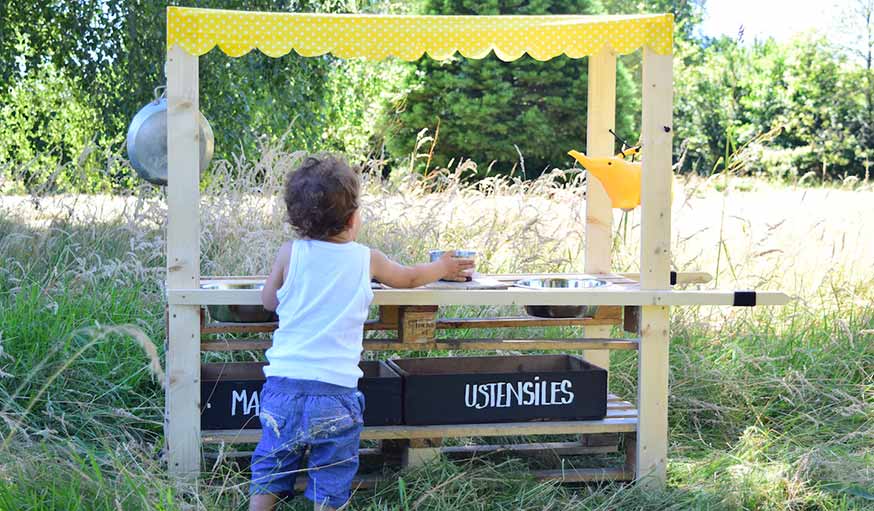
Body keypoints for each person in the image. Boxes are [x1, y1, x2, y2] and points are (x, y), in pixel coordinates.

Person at [249, 155, 474, 511]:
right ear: (353, 219)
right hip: (334, 394)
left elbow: (268, 301)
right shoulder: (366, 259)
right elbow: (410, 278)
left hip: (283, 390)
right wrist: (443, 266)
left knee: (271, 465)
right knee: (331, 476)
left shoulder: (290, 253)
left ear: (297, 220)